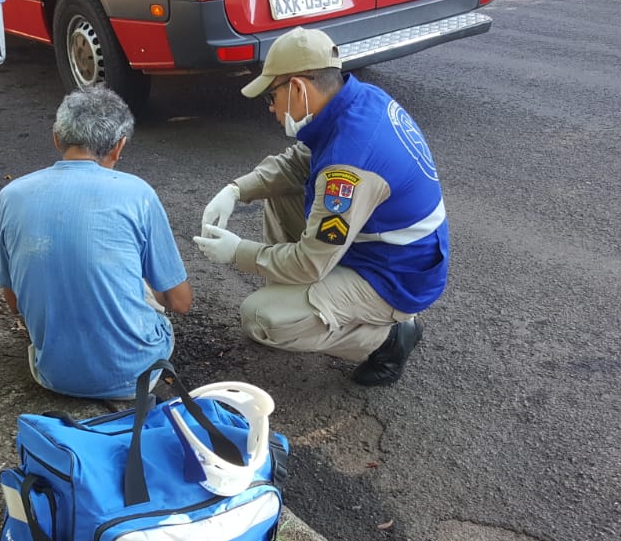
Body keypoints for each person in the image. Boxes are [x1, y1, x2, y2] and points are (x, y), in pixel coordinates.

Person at [192, 27, 448, 387]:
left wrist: (238, 253)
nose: (270, 107)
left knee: (261, 318)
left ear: (298, 88)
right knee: (282, 190)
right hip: (384, 246)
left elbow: (311, 261)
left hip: (396, 276)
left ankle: (390, 337)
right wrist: (236, 190)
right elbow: (299, 164)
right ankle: (303, 302)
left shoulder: (349, 164)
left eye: (271, 94)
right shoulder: (356, 101)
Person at [0, 86, 193, 400]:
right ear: (119, 147)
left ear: (57, 138)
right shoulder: (137, 194)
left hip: (52, 374)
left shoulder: (11, 195)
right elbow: (181, 302)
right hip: (135, 378)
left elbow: (15, 301)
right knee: (139, 283)